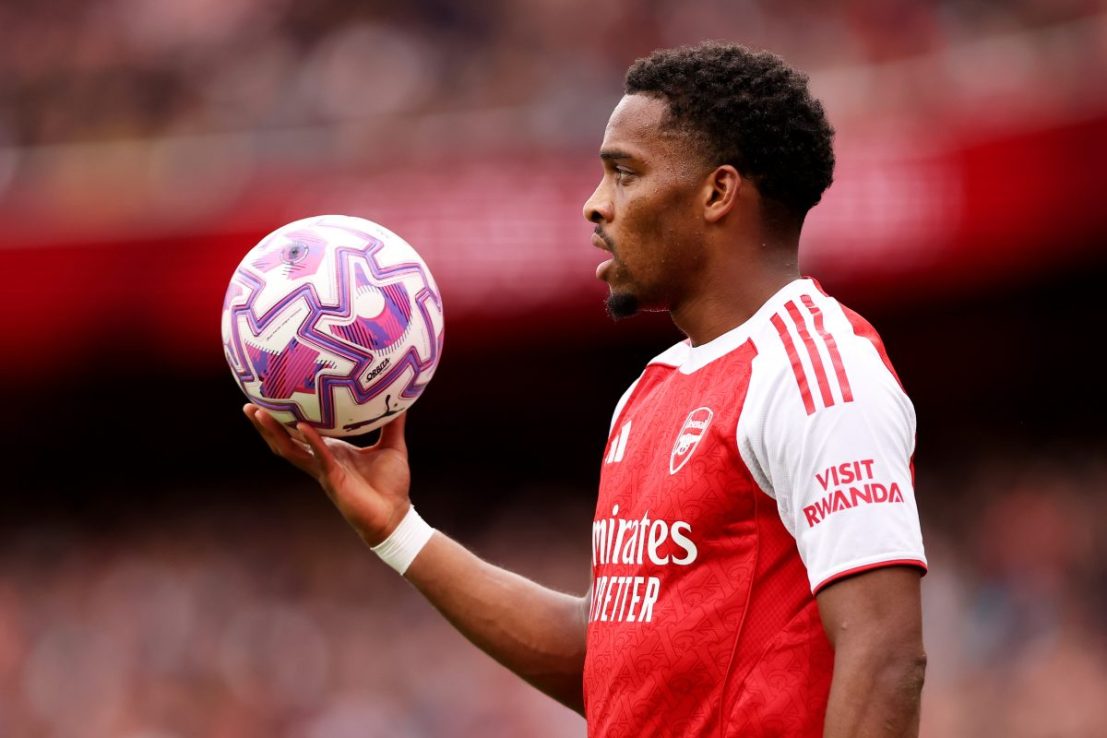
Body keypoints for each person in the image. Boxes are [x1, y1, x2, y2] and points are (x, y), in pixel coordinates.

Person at [245, 41, 927, 738]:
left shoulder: (819, 374)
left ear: (717, 193)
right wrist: (398, 530)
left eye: (624, 174)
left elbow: (884, 657)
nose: (594, 206)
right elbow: (606, 665)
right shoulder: (651, 392)